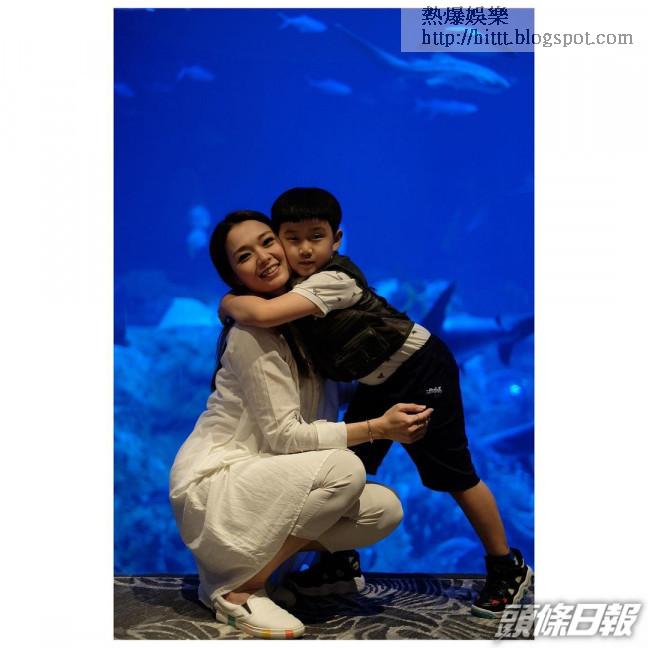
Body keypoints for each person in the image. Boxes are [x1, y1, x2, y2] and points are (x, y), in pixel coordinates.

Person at [219, 190, 533, 619]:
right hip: (378, 382)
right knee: (346, 467)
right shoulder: (292, 285)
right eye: (292, 238)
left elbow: (263, 315)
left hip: (420, 369)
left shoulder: (335, 280)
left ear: (337, 239)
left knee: (454, 474)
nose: (304, 249)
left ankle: (507, 566)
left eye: (316, 237)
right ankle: (339, 563)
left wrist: (228, 302)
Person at [169, 210, 433, 639]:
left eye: (267, 241)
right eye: (244, 256)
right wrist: (377, 428)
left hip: (270, 477)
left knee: (383, 510)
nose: (264, 257)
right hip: (220, 481)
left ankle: (260, 571)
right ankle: (238, 590)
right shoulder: (251, 334)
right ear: (233, 276)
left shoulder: (306, 325)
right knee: (344, 468)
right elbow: (285, 436)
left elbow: (336, 393)